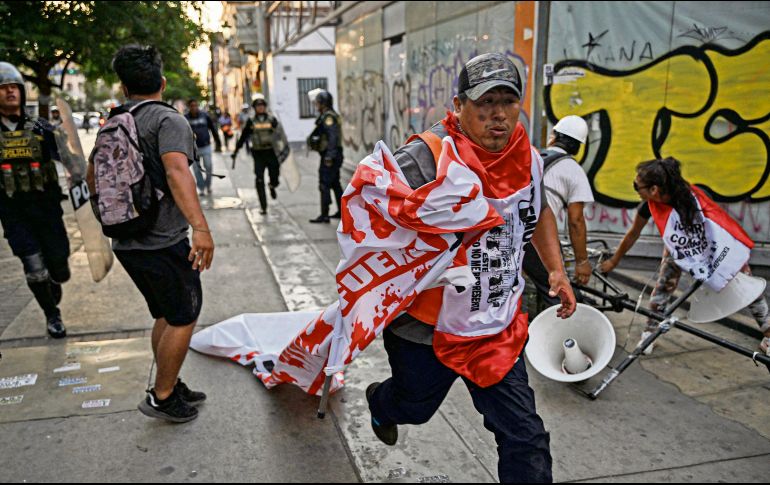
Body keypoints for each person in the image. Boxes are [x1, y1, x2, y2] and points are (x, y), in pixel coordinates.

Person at [365, 53, 576, 483]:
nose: (498, 115)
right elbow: (369, 221)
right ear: (459, 106)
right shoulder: (425, 158)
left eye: (508, 101)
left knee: (525, 437)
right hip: (426, 327)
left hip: (493, 324)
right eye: (484, 103)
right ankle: (381, 403)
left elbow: (539, 211)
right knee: (415, 408)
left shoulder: (529, 159)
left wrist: (556, 269)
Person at [91, 45, 215, 423]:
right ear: (161, 82)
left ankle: (169, 381)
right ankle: (162, 396)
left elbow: (91, 177)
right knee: (184, 314)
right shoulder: (167, 120)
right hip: (161, 239)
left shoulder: (113, 120)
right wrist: (201, 229)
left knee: (164, 312)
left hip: (127, 241)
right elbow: (178, 173)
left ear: (124, 86)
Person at [599, 158, 769, 356]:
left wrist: (732, 257)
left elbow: (718, 225)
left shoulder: (697, 197)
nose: (636, 189)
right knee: (663, 286)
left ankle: (768, 333)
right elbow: (633, 233)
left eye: (637, 186)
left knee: (745, 283)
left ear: (654, 189)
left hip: (713, 245)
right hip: (678, 249)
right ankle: (650, 331)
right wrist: (614, 260)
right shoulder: (650, 206)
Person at [0, 62, 69, 339]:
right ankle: (52, 315)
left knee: (59, 269)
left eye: (13, 87)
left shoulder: (40, 127)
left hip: (47, 210)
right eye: (3, 89)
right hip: (14, 213)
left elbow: (68, 157)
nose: (10, 93)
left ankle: (53, 282)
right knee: (34, 268)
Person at [523, 115, 594, 313]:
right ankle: (564, 339)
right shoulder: (574, 171)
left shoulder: (532, 159)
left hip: (511, 232)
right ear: (579, 147)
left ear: (553, 137)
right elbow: (576, 221)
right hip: (536, 237)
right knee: (559, 292)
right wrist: (582, 262)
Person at [231, 95, 286, 215]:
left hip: (271, 152)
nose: (260, 108)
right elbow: (244, 136)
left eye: (262, 106)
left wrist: (283, 149)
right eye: (258, 106)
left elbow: (280, 135)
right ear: (255, 108)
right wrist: (236, 150)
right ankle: (263, 206)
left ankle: (272, 185)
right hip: (258, 154)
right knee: (259, 179)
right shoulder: (251, 121)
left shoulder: (272, 120)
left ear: (265, 107)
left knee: (275, 176)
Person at [306, 89, 343, 223]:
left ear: (323, 103)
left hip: (331, 155)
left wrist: (329, 156)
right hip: (332, 154)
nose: (317, 106)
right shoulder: (329, 115)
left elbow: (333, 137)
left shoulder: (328, 117)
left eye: (318, 103)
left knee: (324, 184)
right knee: (334, 183)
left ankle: (324, 215)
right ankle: (342, 212)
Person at [184, 98, 221, 197]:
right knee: (196, 169)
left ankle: (208, 185)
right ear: (189, 107)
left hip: (206, 146)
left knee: (208, 166)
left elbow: (212, 129)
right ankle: (201, 187)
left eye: (196, 105)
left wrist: (218, 142)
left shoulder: (205, 116)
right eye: (192, 106)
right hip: (193, 149)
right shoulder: (185, 118)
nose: (194, 108)